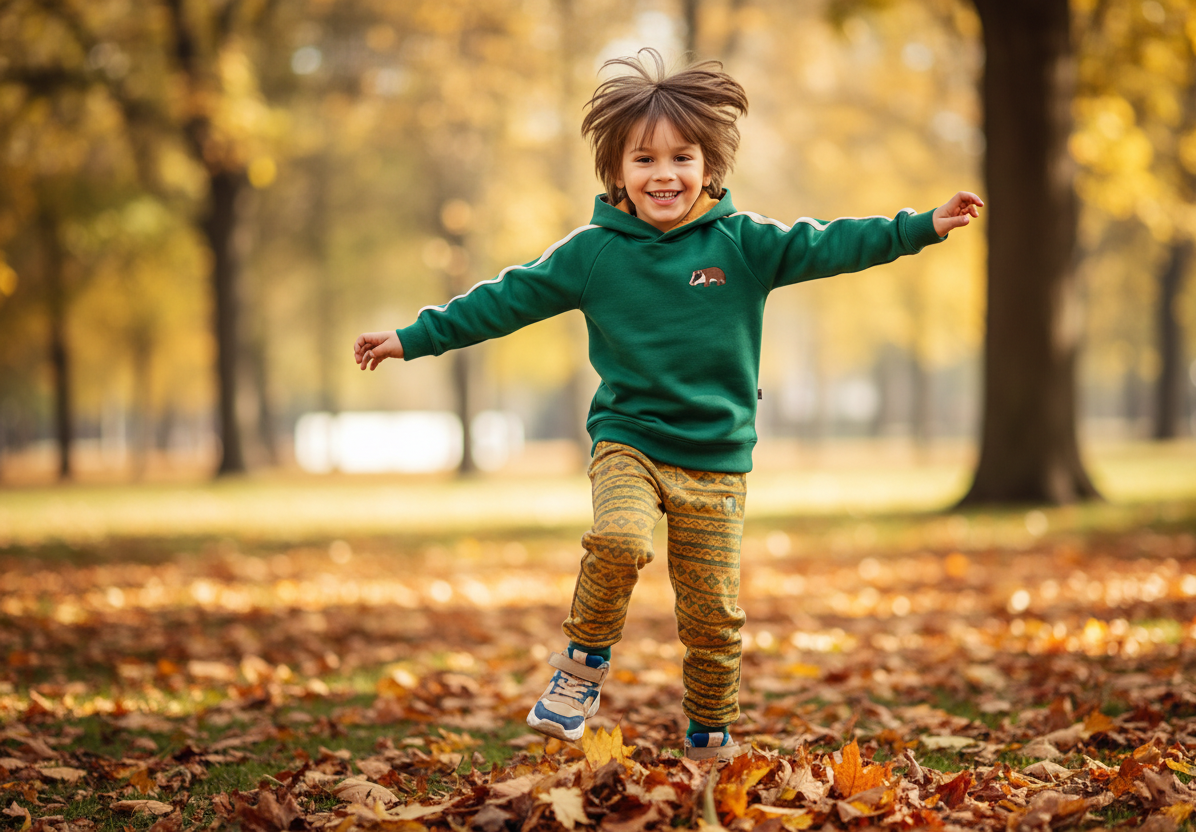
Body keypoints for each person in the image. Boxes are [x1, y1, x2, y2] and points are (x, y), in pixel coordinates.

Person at [353, 49, 982, 761]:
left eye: (681, 157)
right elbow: (504, 300)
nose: (664, 175)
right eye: (644, 160)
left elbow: (833, 242)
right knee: (620, 541)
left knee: (714, 616)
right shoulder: (592, 253)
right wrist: (411, 337)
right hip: (630, 441)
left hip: (716, 460)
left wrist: (920, 225)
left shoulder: (745, 245)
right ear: (617, 173)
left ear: (709, 167)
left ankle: (710, 738)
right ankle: (579, 669)